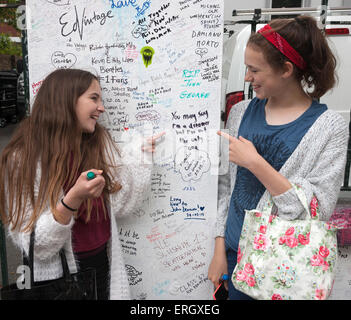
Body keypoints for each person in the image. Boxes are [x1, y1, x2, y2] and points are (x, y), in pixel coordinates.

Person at [208, 16, 349, 300]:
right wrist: (219, 248)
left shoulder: (329, 127)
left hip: (284, 269)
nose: (247, 77)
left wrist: (256, 164)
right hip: (235, 259)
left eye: (254, 69)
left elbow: (315, 211)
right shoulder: (240, 113)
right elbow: (225, 189)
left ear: (286, 69)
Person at [0, 68, 164, 300]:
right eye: (93, 98)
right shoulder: (23, 159)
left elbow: (120, 203)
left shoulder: (99, 143)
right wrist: (72, 200)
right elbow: (36, 246)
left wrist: (141, 156)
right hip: (55, 280)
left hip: (101, 266)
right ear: (66, 100)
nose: (102, 107)